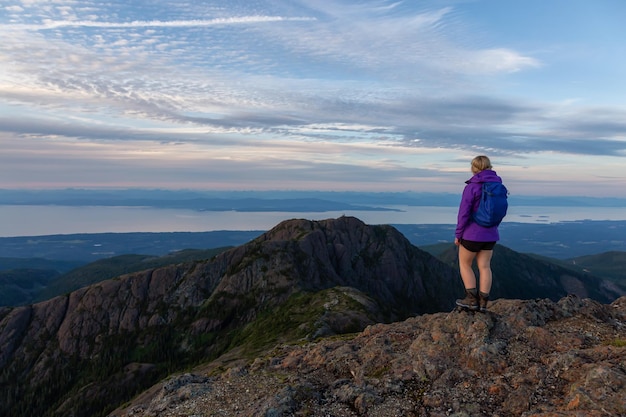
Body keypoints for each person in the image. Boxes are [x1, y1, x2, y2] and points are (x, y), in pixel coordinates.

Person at [454, 155, 503, 312]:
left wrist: (458, 234)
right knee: (485, 266)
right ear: (489, 167)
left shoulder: (472, 187)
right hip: (491, 235)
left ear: (473, 168)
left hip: (472, 235)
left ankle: (471, 300)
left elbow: (463, 213)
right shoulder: (498, 186)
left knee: (465, 264)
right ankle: (483, 303)